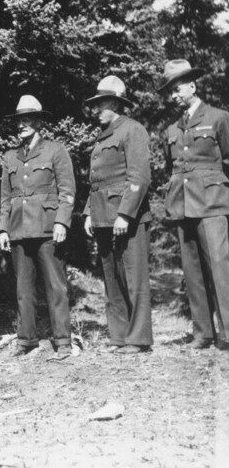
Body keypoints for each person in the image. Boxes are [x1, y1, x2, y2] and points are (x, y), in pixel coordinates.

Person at [159, 59, 229, 349]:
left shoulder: (218, 118)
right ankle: (203, 333)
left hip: (212, 203)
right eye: (169, 92)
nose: (173, 96)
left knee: (220, 267)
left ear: (192, 85)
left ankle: (227, 333)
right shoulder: (171, 130)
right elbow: (171, 166)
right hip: (182, 205)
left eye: (177, 89)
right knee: (192, 271)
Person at [0, 95, 75, 357]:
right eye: (19, 120)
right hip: (18, 229)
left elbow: (67, 190)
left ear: (38, 122)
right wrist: (2, 229)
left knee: (56, 285)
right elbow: (5, 197)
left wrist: (62, 221)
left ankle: (63, 340)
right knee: (23, 288)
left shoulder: (55, 150)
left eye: (28, 119)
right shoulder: (10, 156)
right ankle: (26, 339)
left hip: (47, 228)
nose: (23, 124)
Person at [83, 76, 152, 354]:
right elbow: (96, 181)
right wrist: (89, 211)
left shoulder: (132, 130)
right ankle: (119, 336)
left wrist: (125, 214)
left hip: (127, 218)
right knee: (111, 280)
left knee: (133, 278)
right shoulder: (103, 137)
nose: (96, 109)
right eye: (95, 104)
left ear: (115, 103)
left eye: (101, 104)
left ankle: (138, 339)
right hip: (102, 217)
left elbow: (140, 177)